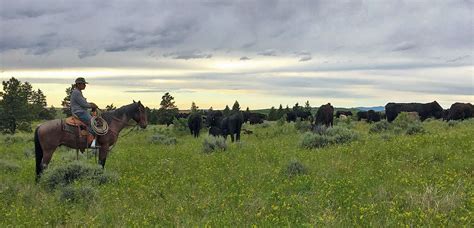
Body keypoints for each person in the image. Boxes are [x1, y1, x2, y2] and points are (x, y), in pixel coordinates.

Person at [70, 77, 98, 147]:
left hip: (80, 111)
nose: (85, 85)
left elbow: (83, 103)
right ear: (78, 84)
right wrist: (92, 105)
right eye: (83, 84)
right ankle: (91, 142)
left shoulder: (77, 92)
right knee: (93, 123)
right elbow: (84, 104)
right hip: (79, 112)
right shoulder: (77, 92)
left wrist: (91, 104)